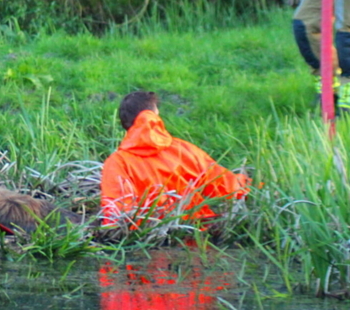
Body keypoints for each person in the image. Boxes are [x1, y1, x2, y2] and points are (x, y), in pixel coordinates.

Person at [100, 91, 249, 227]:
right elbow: (227, 186)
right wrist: (252, 183)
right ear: (154, 116)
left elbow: (116, 212)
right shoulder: (185, 149)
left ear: (125, 124)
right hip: (196, 231)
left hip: (148, 238)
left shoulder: (117, 162)